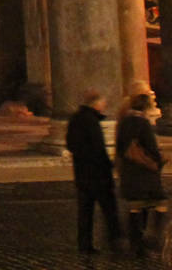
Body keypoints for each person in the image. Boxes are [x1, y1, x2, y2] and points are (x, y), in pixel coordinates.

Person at [66, 90, 123, 255]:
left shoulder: (75, 119)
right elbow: (98, 149)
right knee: (109, 209)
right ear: (96, 104)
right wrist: (108, 166)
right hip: (97, 175)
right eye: (103, 103)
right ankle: (115, 240)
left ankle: (84, 243)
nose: (104, 106)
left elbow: (71, 145)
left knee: (85, 211)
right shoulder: (91, 121)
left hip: (82, 174)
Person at [115, 93, 166, 255]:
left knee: (135, 206)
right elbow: (151, 147)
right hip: (144, 172)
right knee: (161, 202)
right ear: (146, 107)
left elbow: (120, 147)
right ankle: (155, 236)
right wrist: (160, 160)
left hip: (130, 172)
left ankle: (135, 240)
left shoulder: (124, 123)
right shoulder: (143, 123)